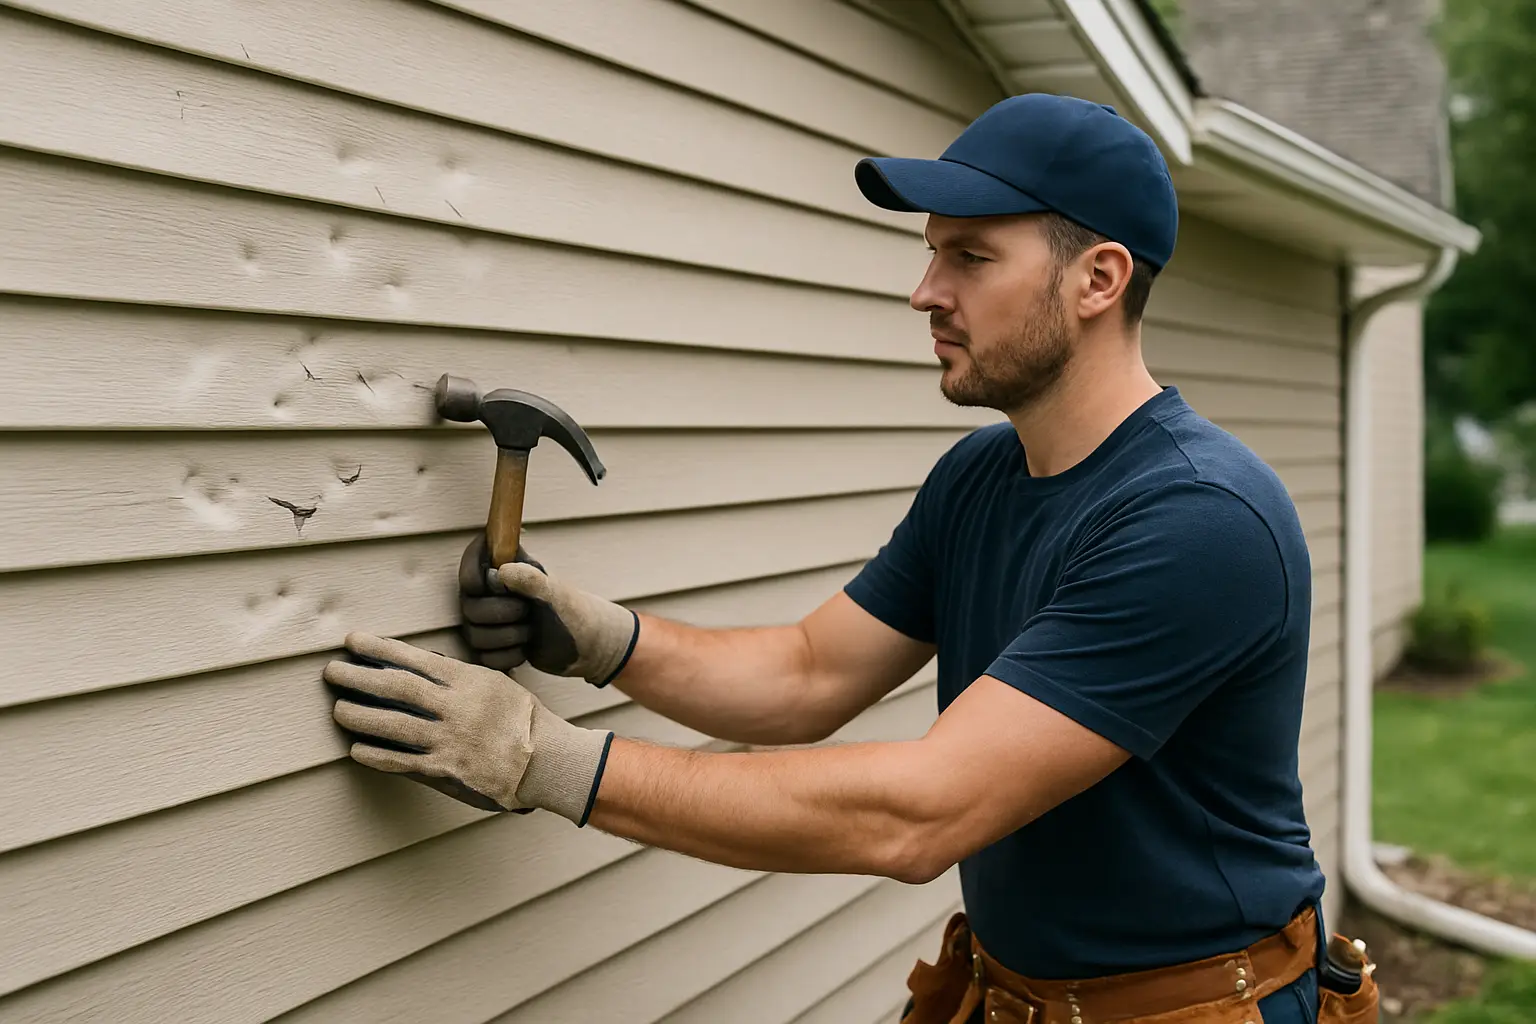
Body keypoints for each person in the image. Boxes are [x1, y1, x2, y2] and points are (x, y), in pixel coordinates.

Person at [324, 93, 1379, 1023]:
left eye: (970, 256)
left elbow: (918, 811)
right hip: (1017, 996)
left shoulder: (1198, 518)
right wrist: (605, 640)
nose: (924, 291)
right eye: (930, 253)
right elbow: (809, 671)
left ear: (1099, 278)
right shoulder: (980, 479)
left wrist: (538, 760)